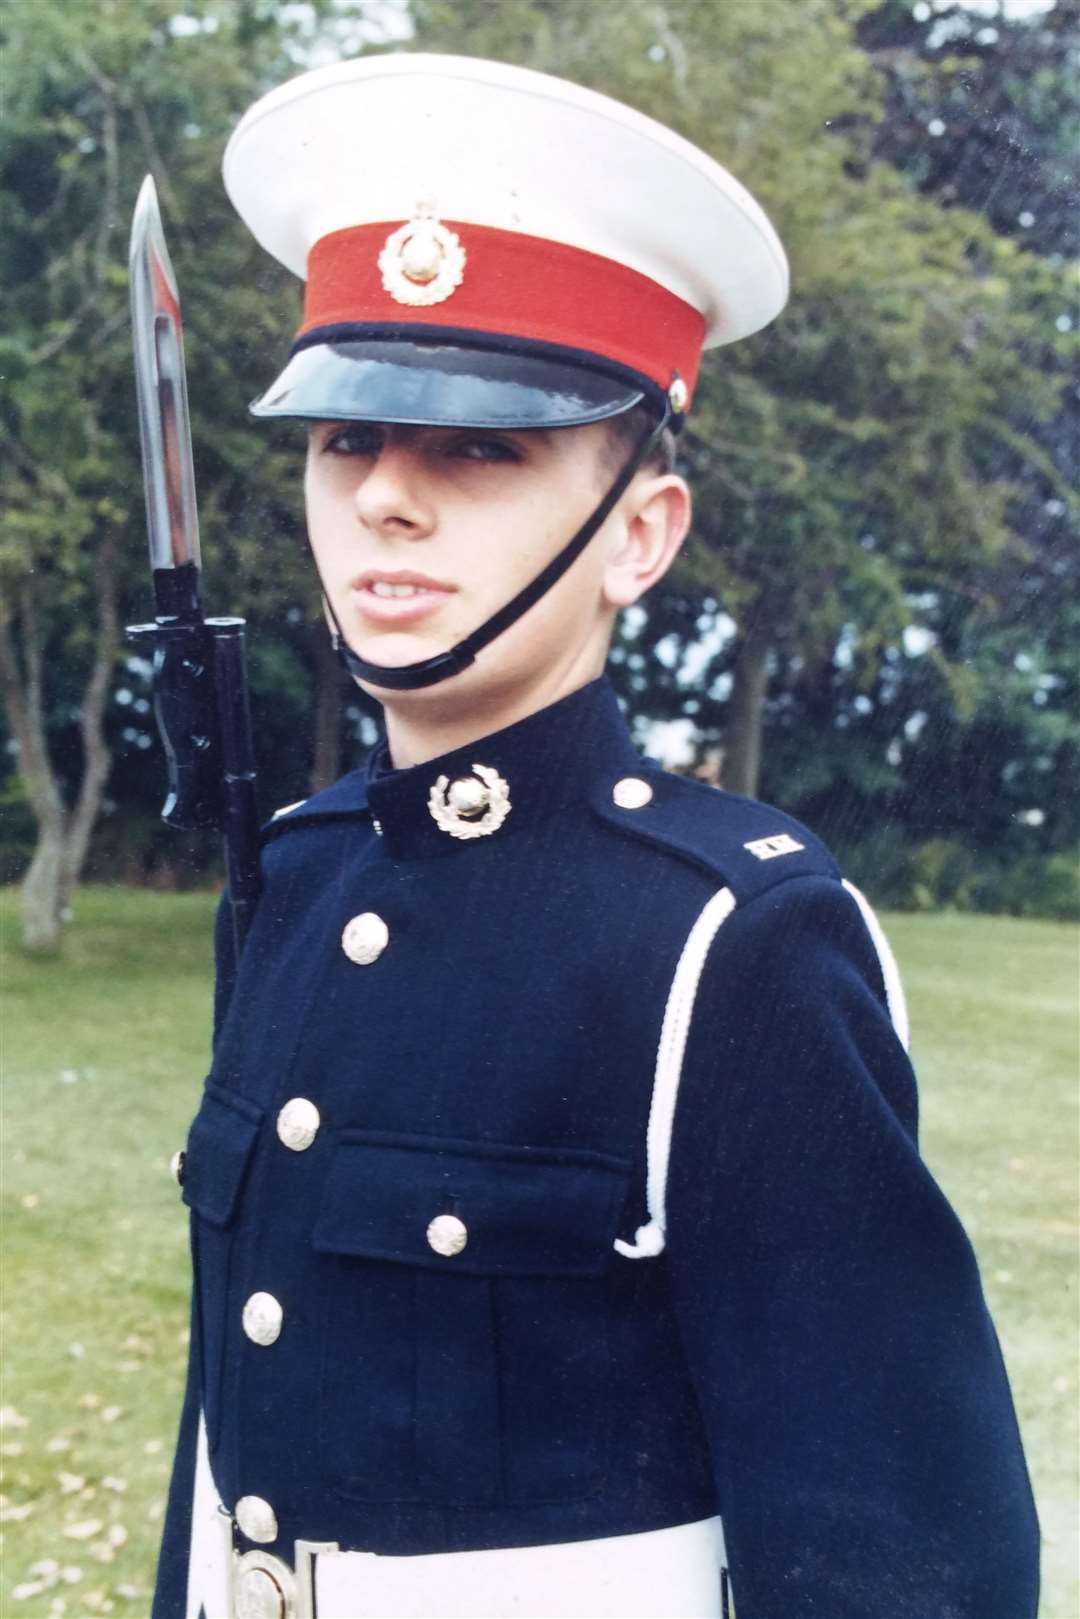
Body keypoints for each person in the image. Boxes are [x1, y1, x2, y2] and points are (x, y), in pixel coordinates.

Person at [154, 53, 1039, 1619]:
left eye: (479, 448)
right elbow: (231, 1425)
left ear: (640, 530)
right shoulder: (296, 869)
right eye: (346, 440)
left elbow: (897, 1554)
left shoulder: (730, 941)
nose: (388, 502)